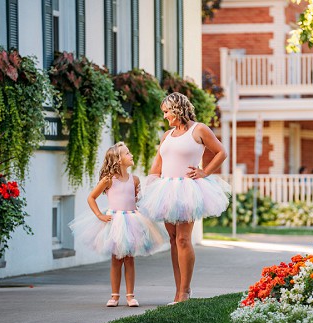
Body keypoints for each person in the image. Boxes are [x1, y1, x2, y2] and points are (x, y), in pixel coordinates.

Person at [138, 92, 230, 304]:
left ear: (177, 109)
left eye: (166, 111)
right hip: (166, 190)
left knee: (182, 239)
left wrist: (204, 172)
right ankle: (178, 290)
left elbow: (221, 152)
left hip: (188, 191)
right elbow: (157, 165)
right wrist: (146, 188)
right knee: (172, 240)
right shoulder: (167, 135)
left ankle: (185, 292)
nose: (165, 116)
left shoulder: (199, 130)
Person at [69, 142, 168, 307]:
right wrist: (99, 215)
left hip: (132, 220)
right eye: (127, 153)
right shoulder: (108, 180)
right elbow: (91, 197)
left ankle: (130, 296)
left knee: (130, 259)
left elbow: (137, 199)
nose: (131, 155)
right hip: (115, 222)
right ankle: (114, 296)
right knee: (116, 259)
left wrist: (142, 198)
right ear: (118, 160)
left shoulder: (134, 180)